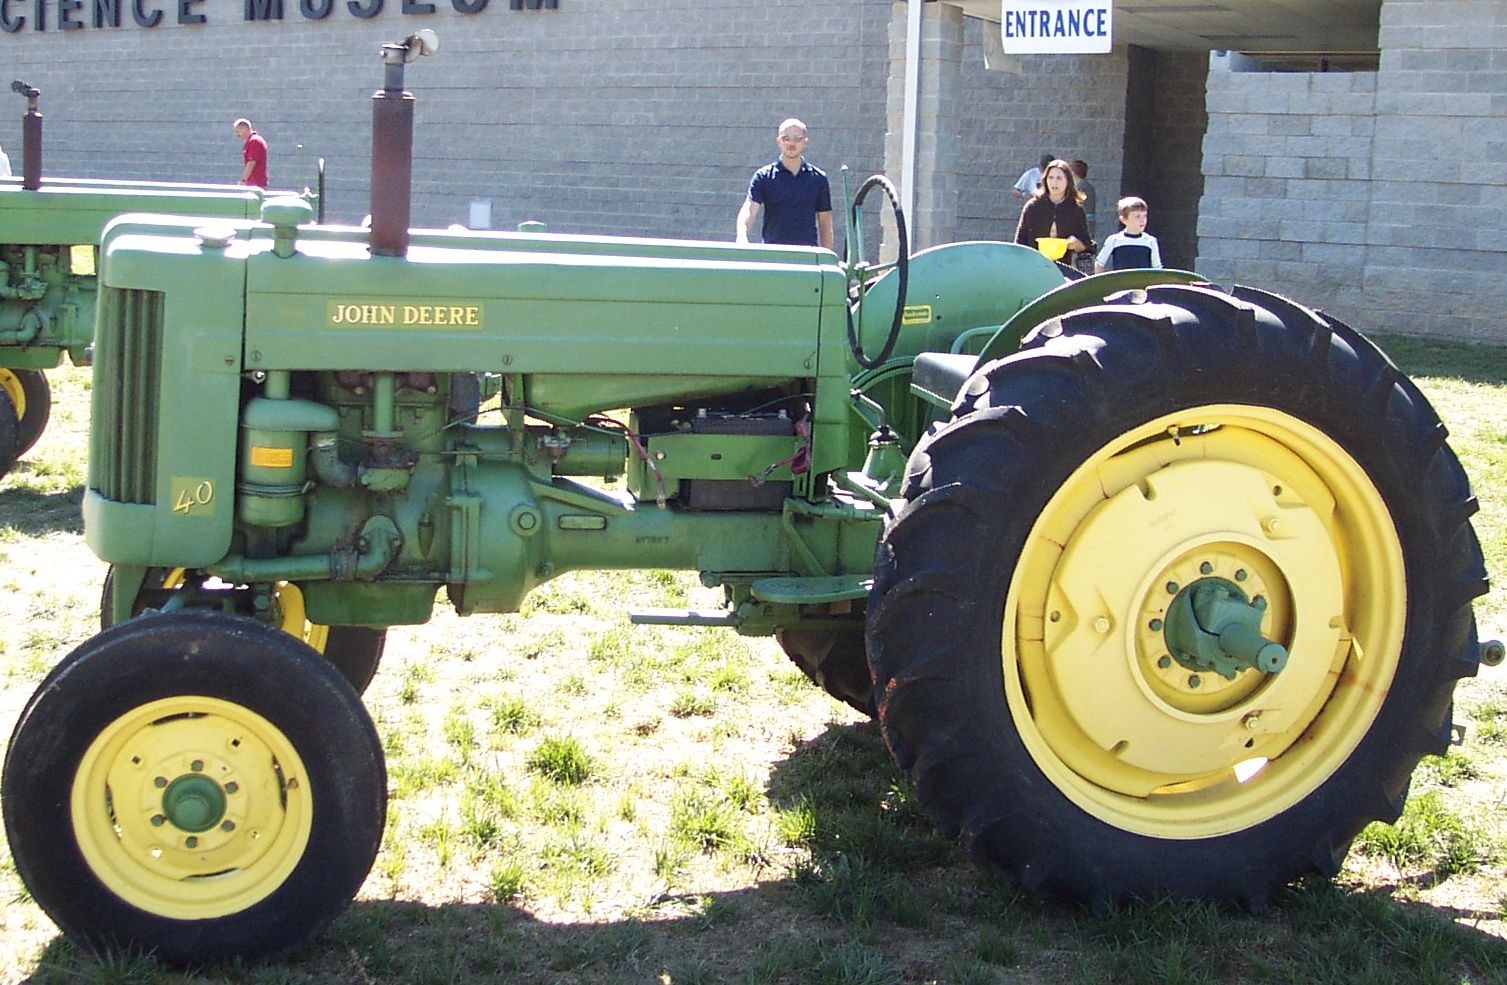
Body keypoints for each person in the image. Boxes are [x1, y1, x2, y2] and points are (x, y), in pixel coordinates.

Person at [736, 118, 833, 249]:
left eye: (797, 138)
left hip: (808, 257)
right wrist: (742, 237)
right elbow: (749, 209)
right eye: (786, 138)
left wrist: (828, 258)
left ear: (805, 142)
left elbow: (825, 222)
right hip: (773, 255)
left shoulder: (818, 178)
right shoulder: (763, 176)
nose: (791, 143)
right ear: (778, 141)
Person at [1014, 158, 1093, 263]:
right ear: (1045, 180)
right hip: (1033, 265)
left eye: (1059, 178)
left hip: (1064, 267)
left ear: (1068, 181)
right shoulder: (1033, 207)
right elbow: (1019, 242)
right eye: (1050, 178)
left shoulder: (1076, 210)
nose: (1054, 182)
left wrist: (1077, 244)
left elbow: (1088, 245)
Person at [1095, 196, 1163, 272]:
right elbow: (1099, 263)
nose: (1142, 220)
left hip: (1143, 283)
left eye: (1144, 216)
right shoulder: (1114, 240)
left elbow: (1157, 268)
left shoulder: (1150, 241)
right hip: (1121, 283)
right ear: (1123, 219)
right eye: (1137, 216)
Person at [233, 118, 268, 188]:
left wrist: (243, 181)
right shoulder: (252, 141)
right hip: (254, 183)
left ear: (244, 129)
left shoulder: (254, 141)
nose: (237, 135)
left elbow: (251, 162)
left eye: (238, 131)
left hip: (256, 184)